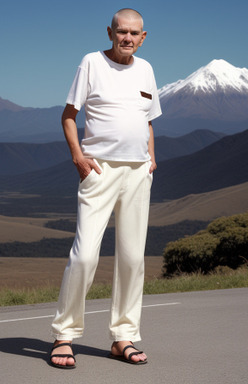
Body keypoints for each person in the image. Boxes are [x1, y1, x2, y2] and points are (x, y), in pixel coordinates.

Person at [50, 8, 162, 369]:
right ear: (110, 32)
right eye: (121, 31)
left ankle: (123, 337)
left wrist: (151, 159)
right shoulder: (91, 63)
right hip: (98, 170)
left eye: (134, 33)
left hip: (137, 173)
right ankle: (64, 336)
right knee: (84, 255)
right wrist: (78, 158)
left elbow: (146, 120)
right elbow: (69, 115)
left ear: (143, 37)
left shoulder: (146, 69)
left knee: (132, 259)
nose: (127, 38)